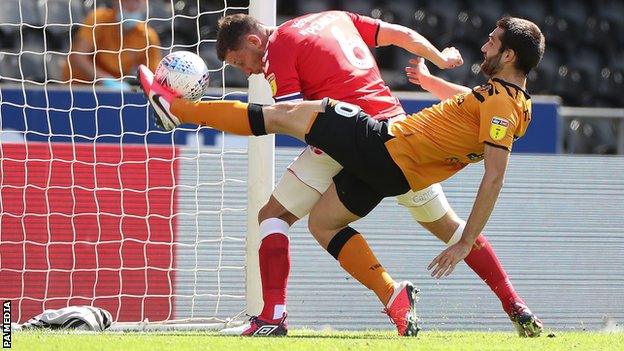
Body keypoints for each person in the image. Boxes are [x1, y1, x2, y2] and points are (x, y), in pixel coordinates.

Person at [139, 16, 545, 337]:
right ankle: (502, 304)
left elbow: (494, 176)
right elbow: (456, 97)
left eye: (493, 41)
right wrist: (433, 70)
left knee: (280, 159)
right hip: (400, 163)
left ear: (509, 56)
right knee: (327, 223)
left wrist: (437, 60)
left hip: (379, 141)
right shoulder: (510, 105)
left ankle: (179, 111)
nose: (484, 44)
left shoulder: (281, 45)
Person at [63, 0, 161, 90]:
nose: (132, 5)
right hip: (77, 88)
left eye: (137, 1)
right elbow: (78, 56)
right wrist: (105, 80)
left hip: (115, 93)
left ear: (145, 5)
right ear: (116, 2)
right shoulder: (97, 19)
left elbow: (152, 75)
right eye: (127, 1)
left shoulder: (148, 37)